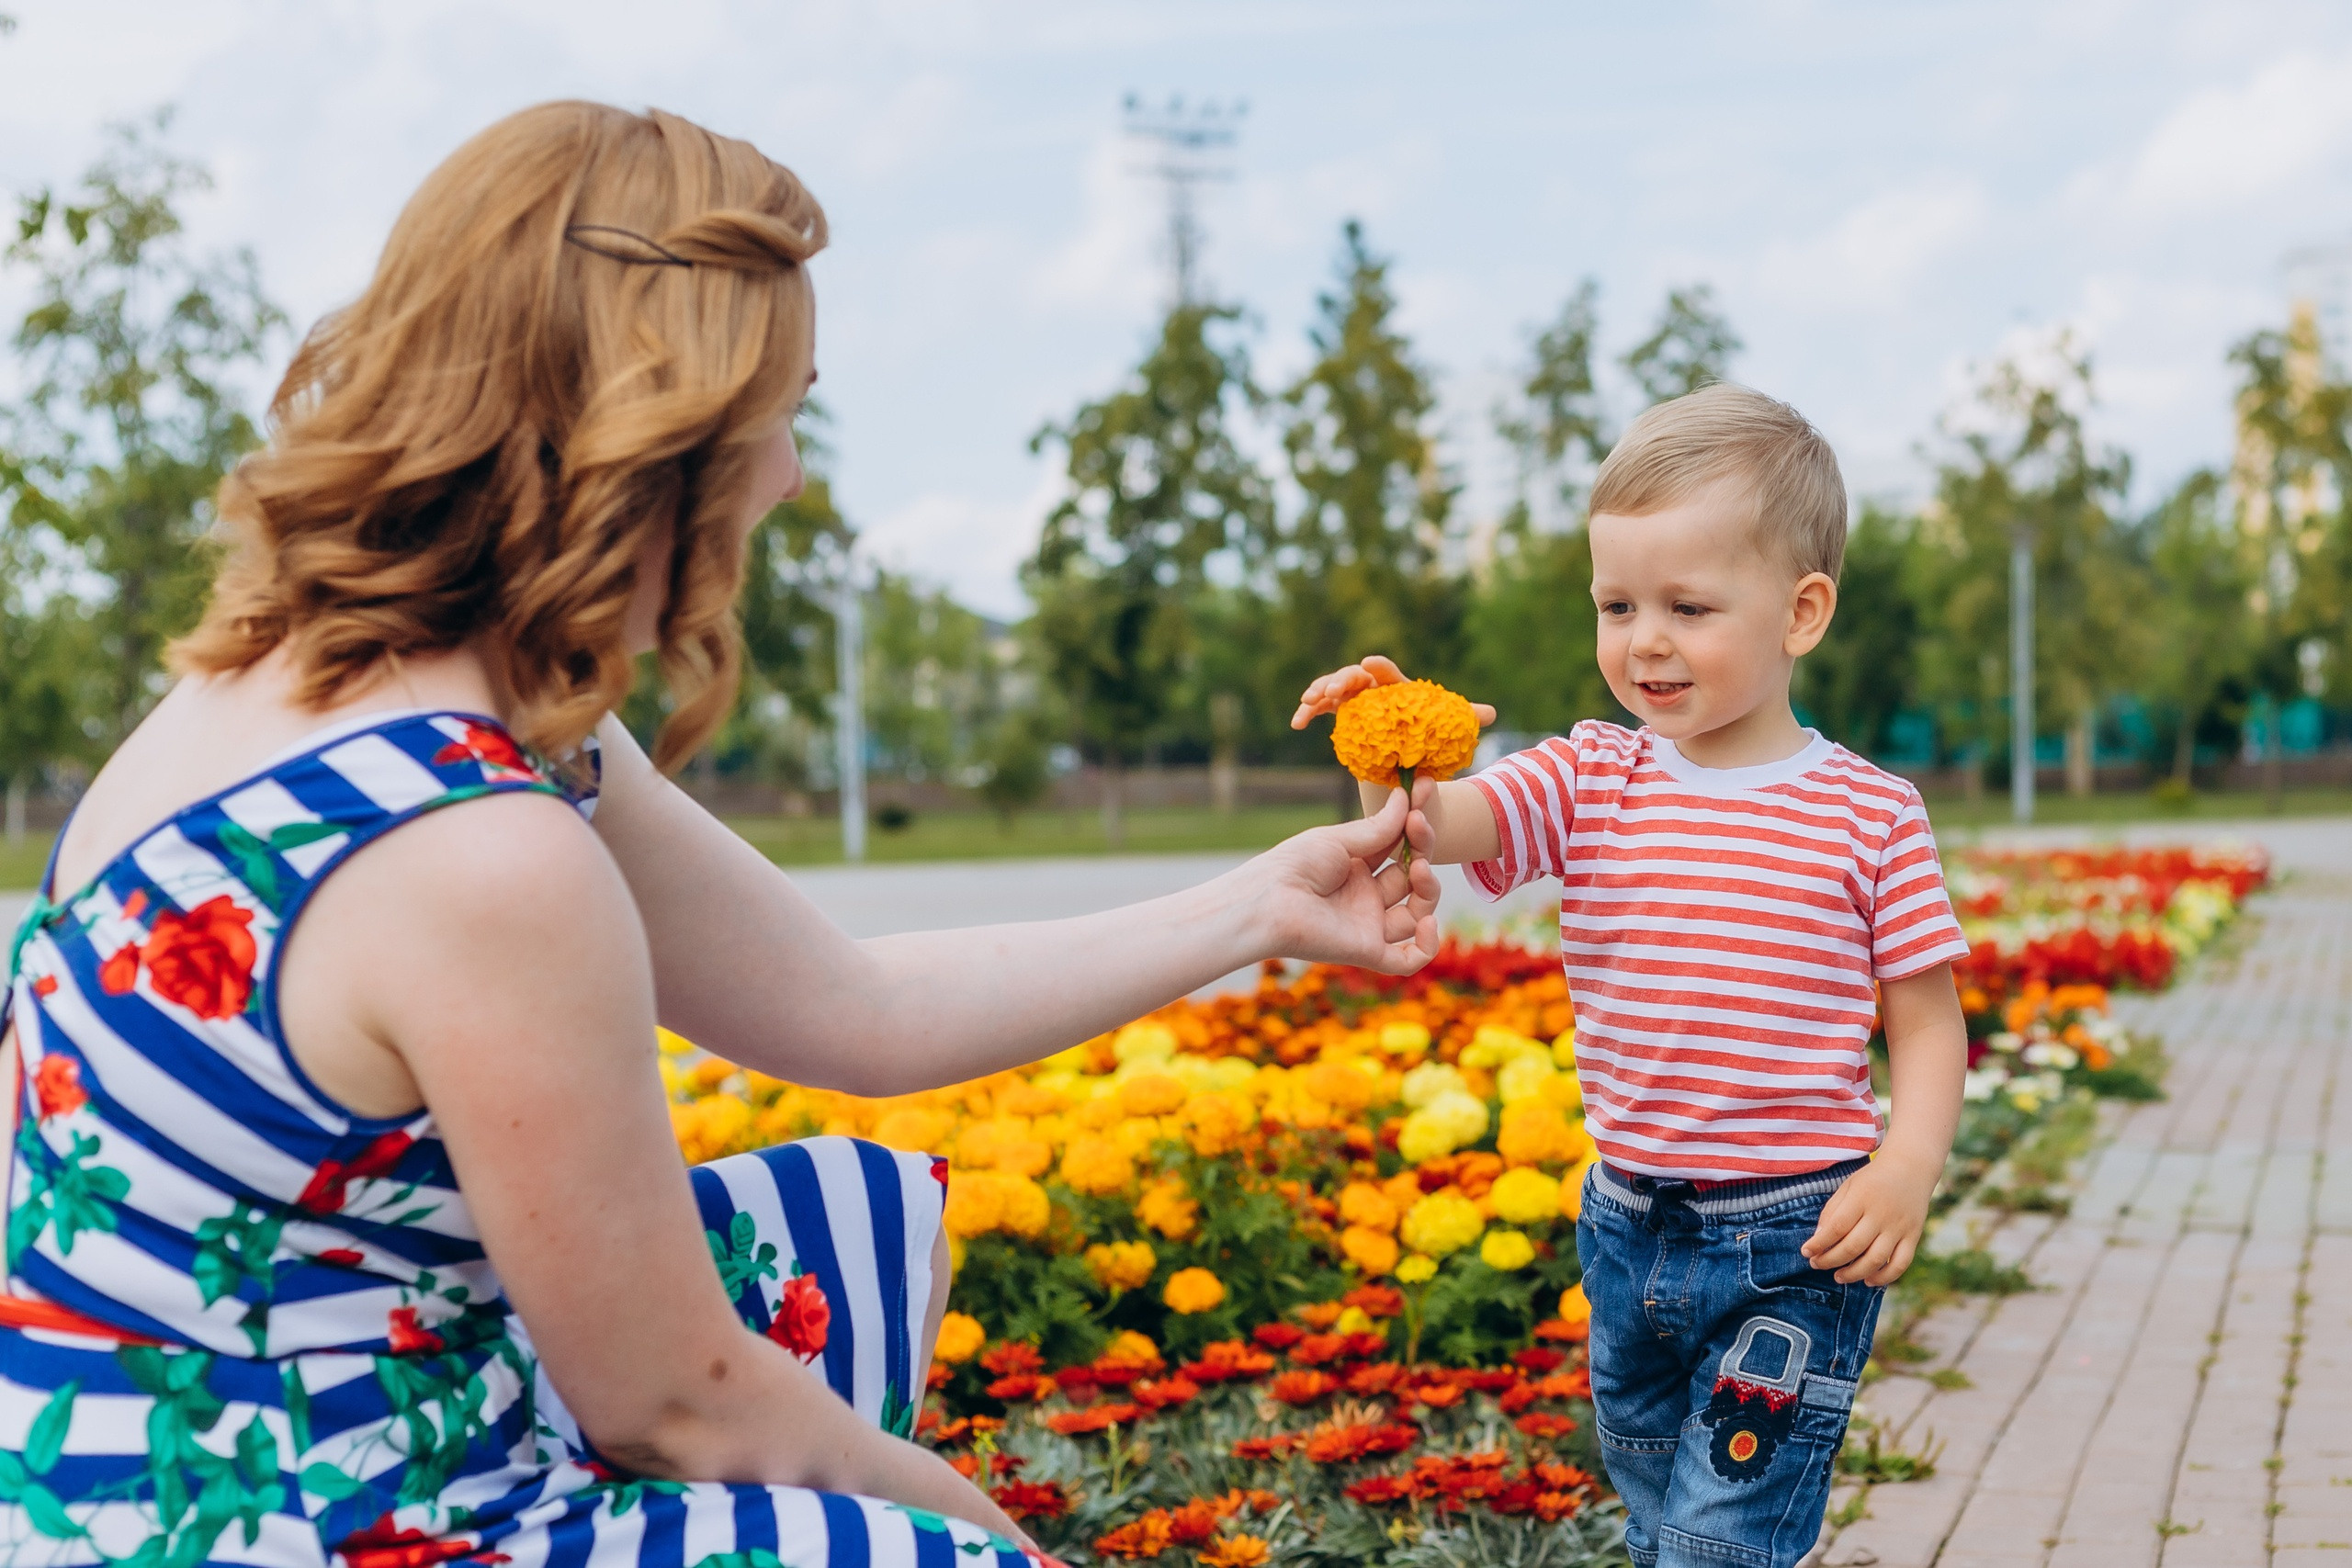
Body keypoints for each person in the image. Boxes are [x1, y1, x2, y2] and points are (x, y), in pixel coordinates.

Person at [0, 101, 1444, 1568]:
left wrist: (1260, 906)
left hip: (111, 1448)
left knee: (855, 1217)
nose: (790, 478)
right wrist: (998, 1543)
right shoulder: (474, 848)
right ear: (647, 445)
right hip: (290, 1524)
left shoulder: (270, 690)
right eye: (780, 412)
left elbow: (851, 1008)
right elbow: (678, 1412)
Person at [1291, 384, 1970, 1568]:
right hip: (1626, 1224)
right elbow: (1440, 829)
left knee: (1720, 1542)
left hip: (1795, 1240)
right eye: (1617, 603)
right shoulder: (1593, 777)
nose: (1644, 639)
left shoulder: (1868, 813)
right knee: (1660, 1520)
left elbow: (1925, 1023)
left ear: (1802, 612)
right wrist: (1392, 751)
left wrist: (1908, 1163)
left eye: (1688, 606)